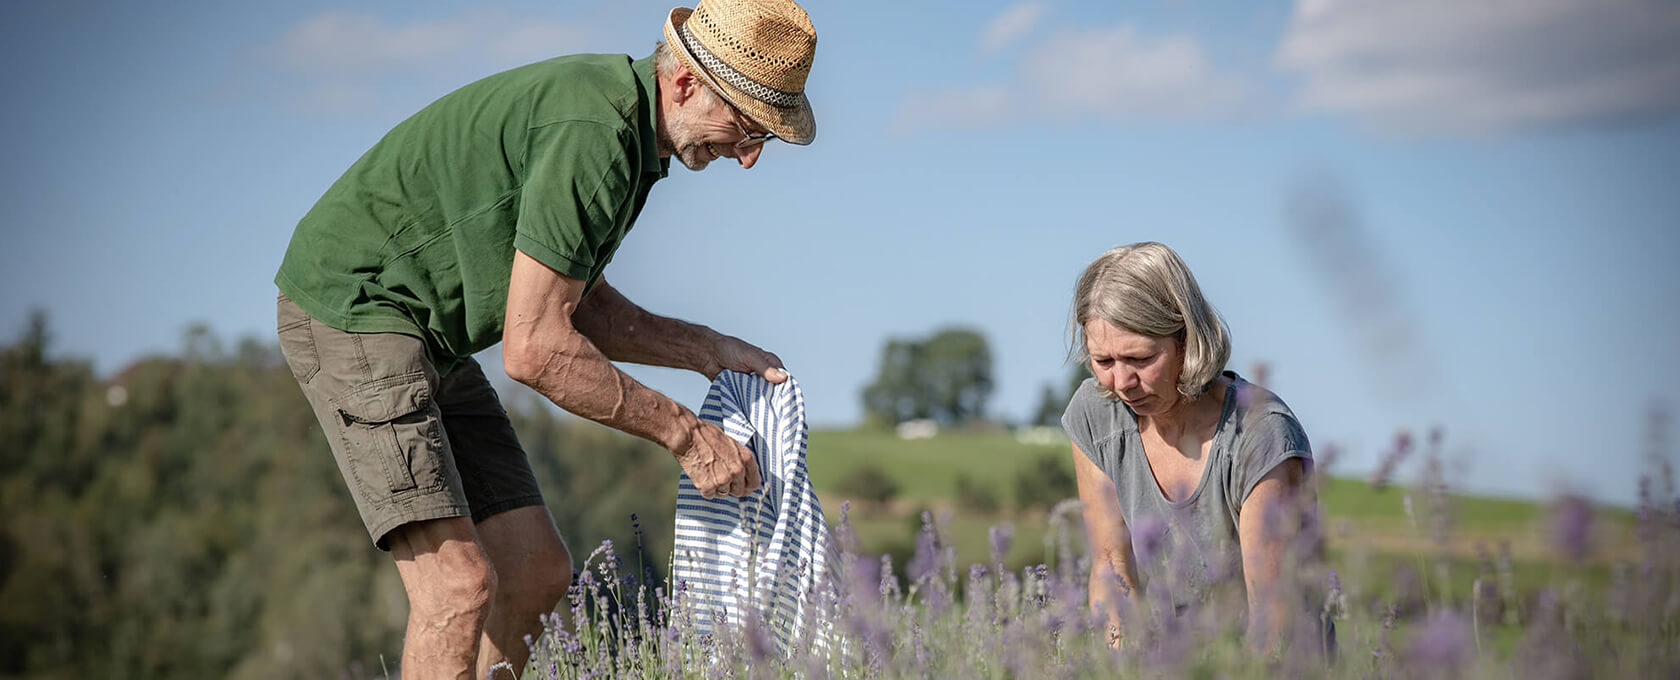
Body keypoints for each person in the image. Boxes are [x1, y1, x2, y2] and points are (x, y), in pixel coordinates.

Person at [272, 1, 819, 676]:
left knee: (535, 572)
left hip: (430, 337)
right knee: (458, 588)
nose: (748, 158)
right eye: (745, 127)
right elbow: (534, 350)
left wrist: (706, 350)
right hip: (359, 309)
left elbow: (578, 307)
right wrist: (688, 435)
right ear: (685, 84)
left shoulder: (632, 138)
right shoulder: (595, 131)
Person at [1060, 242, 1324, 652]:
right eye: (1104, 361)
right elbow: (1111, 569)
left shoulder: (1261, 435)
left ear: (1186, 339)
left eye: (1140, 359)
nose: (1121, 383)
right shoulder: (1095, 415)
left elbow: (1274, 625)